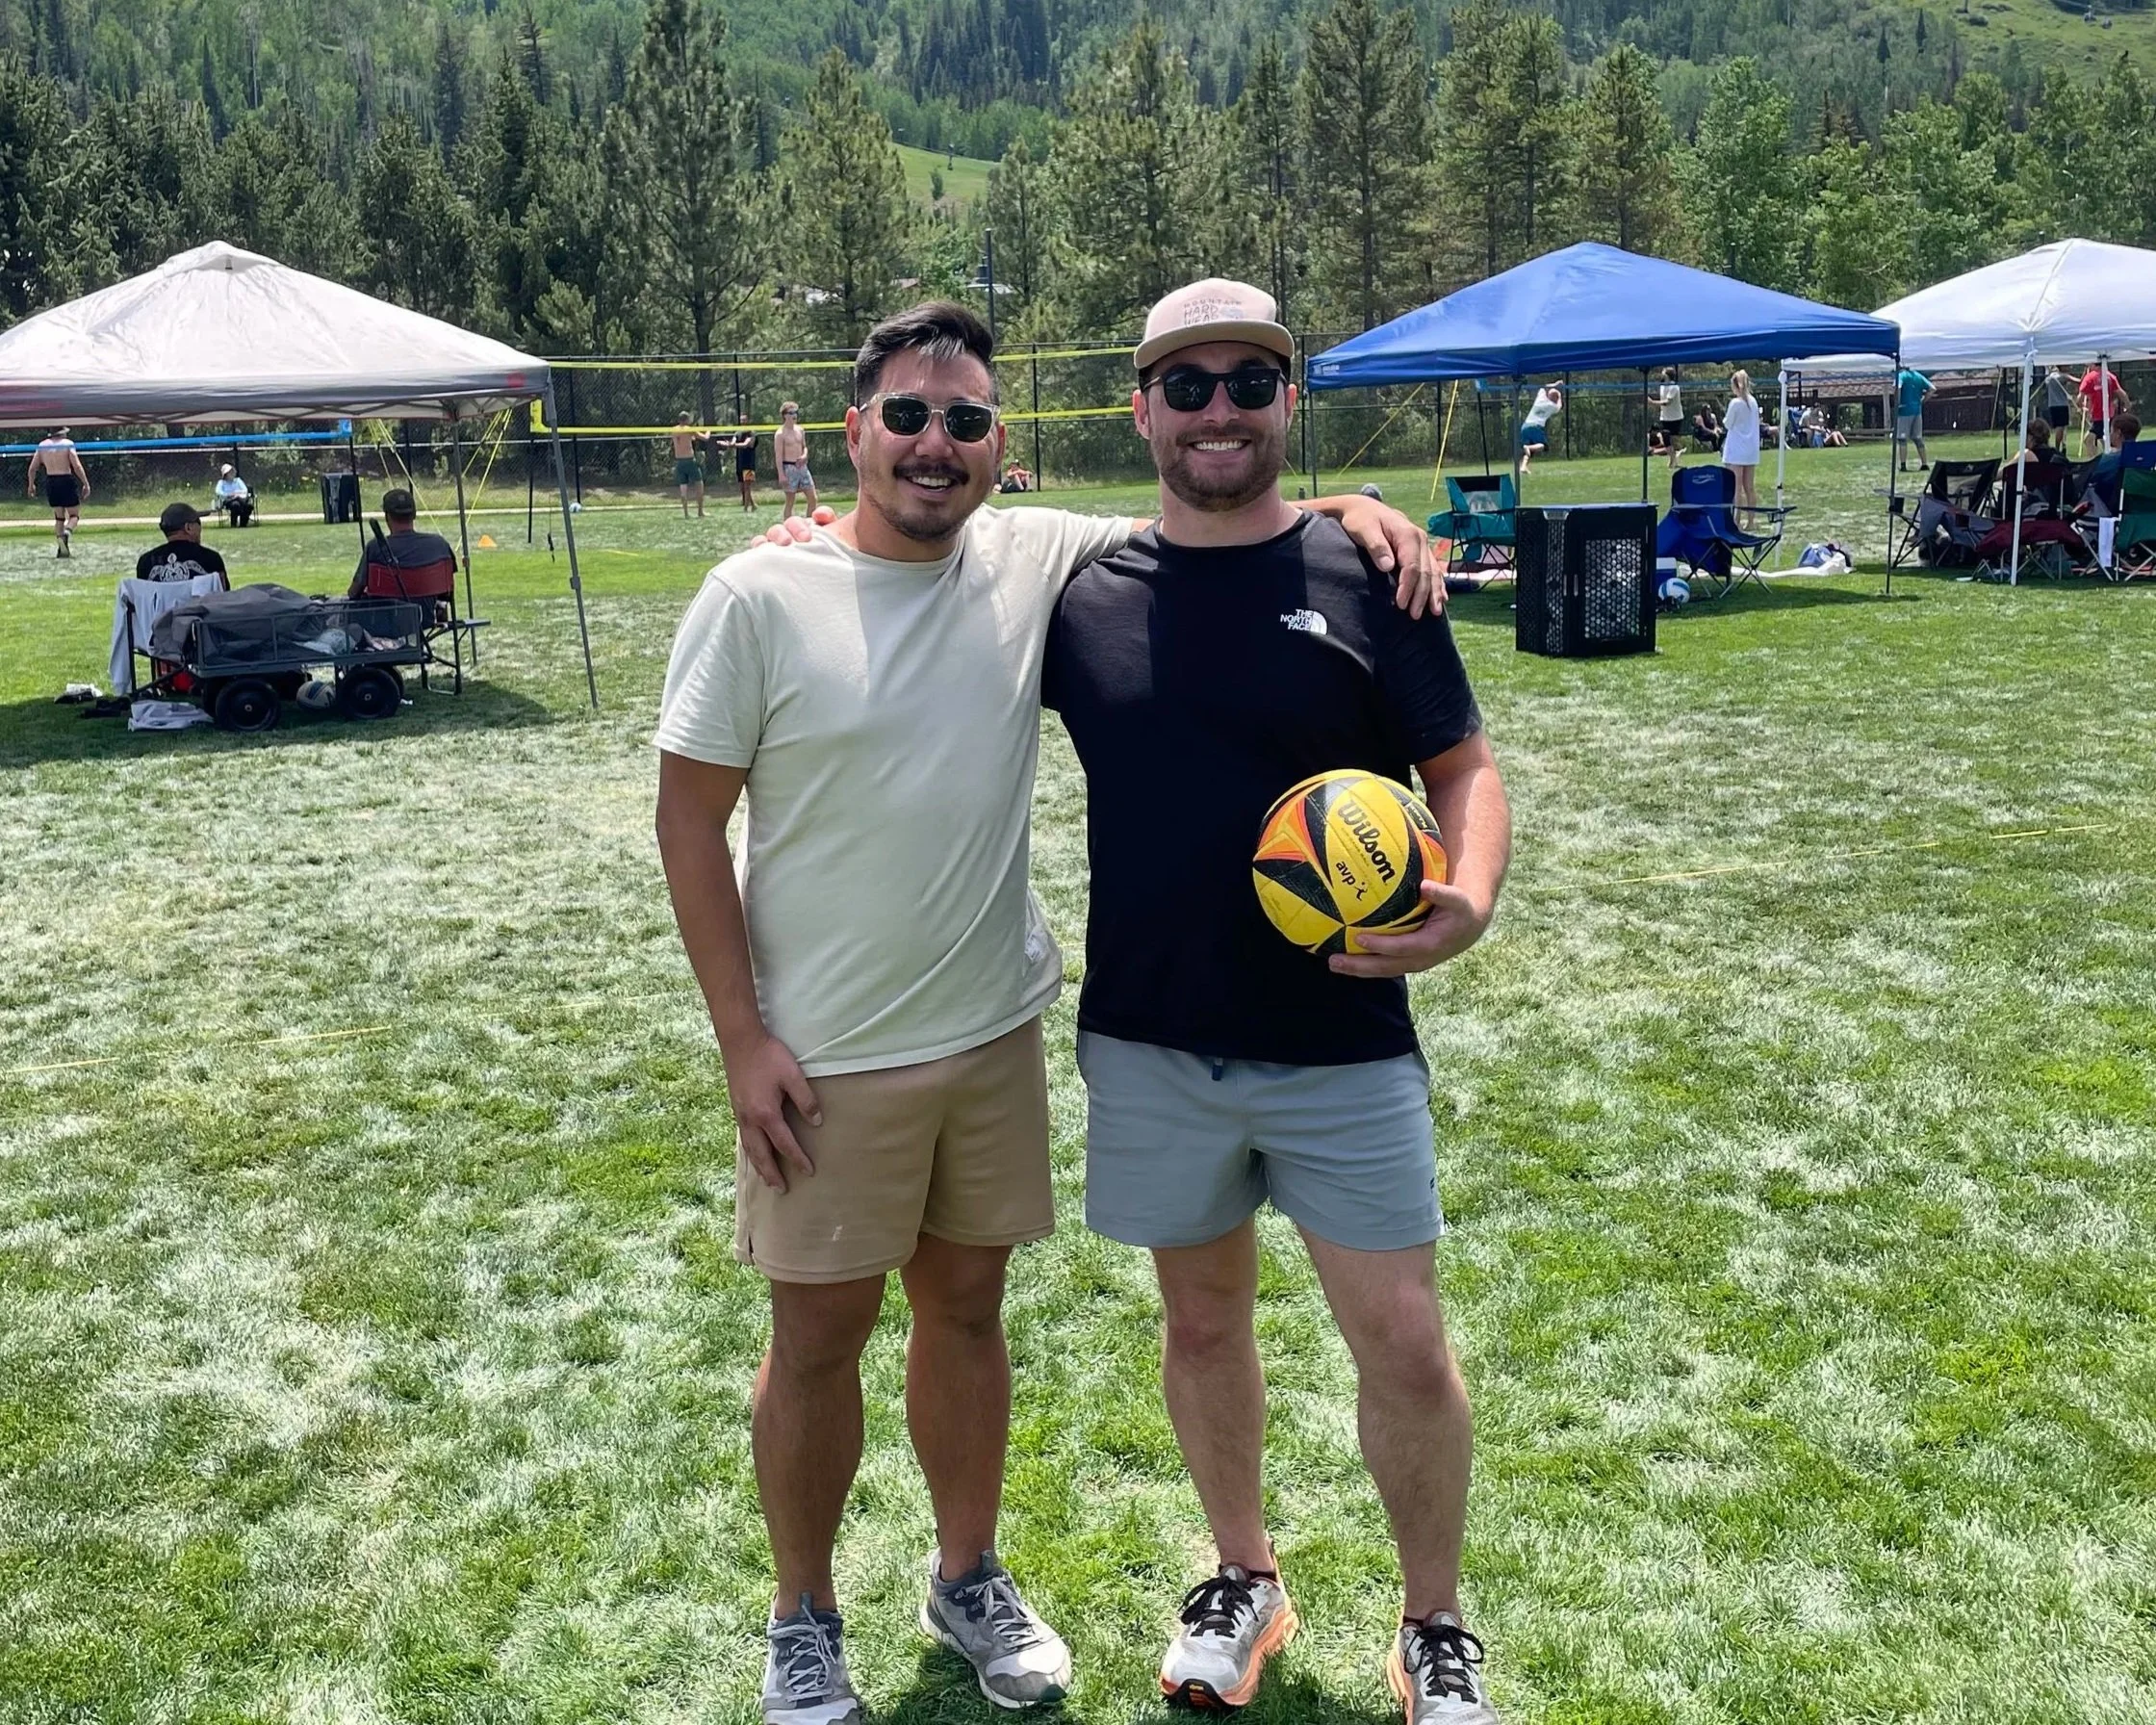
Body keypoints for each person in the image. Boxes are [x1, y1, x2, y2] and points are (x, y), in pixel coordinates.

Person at [655, 299, 1438, 1725]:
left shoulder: (1032, 557)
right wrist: (742, 1038)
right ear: (853, 434)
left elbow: (1222, 501)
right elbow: (688, 822)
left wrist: (1351, 501)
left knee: (967, 1320)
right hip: (825, 1059)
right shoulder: (757, 597)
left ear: (1000, 445)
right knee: (815, 1341)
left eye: (964, 420)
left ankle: (966, 1576)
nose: (935, 444)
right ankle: (802, 1617)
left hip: (993, 1034)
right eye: (906, 416)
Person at [1041, 277, 1510, 1724]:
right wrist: (812, 524)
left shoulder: (1373, 573)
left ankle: (1432, 1624)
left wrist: (1471, 899)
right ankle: (1243, 1578)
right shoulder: (1082, 598)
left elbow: (1464, 772)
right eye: (1187, 386)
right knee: (1200, 1325)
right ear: (1142, 408)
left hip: (1340, 1036)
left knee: (1404, 1342)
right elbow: (917, 558)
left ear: (1288, 402)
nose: (1220, 410)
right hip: (1153, 1033)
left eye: (1250, 381)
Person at [348, 487, 456, 600]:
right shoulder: (440, 545)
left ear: (387, 516)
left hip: (386, 617)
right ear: (414, 514)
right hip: (424, 617)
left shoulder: (375, 548)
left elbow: (354, 593)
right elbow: (447, 594)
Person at [28, 426, 89, 557]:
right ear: (62, 433)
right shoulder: (67, 444)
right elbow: (76, 465)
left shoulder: (42, 445)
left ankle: (61, 549)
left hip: (51, 481)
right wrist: (85, 483)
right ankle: (66, 534)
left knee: (59, 517)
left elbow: (32, 468)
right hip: (65, 479)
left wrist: (31, 484)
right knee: (74, 516)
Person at [135, 502, 231, 585]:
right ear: (188, 528)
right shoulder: (211, 559)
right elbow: (223, 598)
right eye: (198, 522)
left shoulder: (146, 562)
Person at [1722, 370, 1763, 513]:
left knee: (1736, 488)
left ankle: (1737, 520)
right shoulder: (1753, 402)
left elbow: (1728, 424)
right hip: (1751, 450)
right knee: (1749, 487)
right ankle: (1751, 520)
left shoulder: (1735, 403)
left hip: (1737, 450)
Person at [2078, 364, 2131, 460]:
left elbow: (2080, 398)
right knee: (2105, 439)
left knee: (2089, 440)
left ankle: (2095, 462)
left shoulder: (2090, 377)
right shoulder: (2110, 376)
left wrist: (2081, 407)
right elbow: (2121, 393)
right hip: (2109, 414)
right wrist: (2127, 405)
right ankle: (2109, 458)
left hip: (2098, 415)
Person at [775, 401, 817, 520]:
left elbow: (805, 447)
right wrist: (781, 475)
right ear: (785, 415)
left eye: (796, 412)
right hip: (789, 468)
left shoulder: (800, 430)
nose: (795, 415)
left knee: (813, 498)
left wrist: (805, 455)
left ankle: (809, 525)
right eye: (791, 413)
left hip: (802, 467)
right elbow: (778, 456)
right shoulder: (780, 434)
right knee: (790, 501)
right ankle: (789, 527)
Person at [1516, 381, 1561, 476]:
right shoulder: (1553, 407)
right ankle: (1528, 447)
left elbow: (1544, 386)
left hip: (1525, 426)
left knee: (1529, 452)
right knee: (1543, 446)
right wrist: (1560, 395)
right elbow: (1559, 405)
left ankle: (1523, 467)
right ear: (1556, 399)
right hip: (1536, 427)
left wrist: (1555, 384)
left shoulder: (1540, 398)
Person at [1894, 366, 1934, 471]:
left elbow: (1897, 388)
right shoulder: (1918, 375)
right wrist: (1922, 401)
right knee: (1918, 438)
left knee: (1902, 439)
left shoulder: (1901, 376)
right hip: (1917, 411)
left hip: (1904, 411)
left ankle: (1903, 465)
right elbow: (1932, 389)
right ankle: (1924, 463)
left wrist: (1897, 403)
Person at [672, 412, 708, 518]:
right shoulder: (689, 429)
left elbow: (685, 440)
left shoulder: (674, 430)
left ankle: (686, 514)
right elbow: (705, 438)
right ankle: (700, 512)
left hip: (679, 462)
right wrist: (709, 430)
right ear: (687, 420)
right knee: (699, 485)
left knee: (683, 488)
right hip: (689, 461)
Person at [1654, 368, 1685, 468]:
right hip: (1665, 418)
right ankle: (1672, 459)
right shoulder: (1662, 386)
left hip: (1676, 418)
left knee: (1674, 441)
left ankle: (1675, 458)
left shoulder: (1674, 387)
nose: (1661, 375)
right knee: (1666, 439)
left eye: (1663, 373)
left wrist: (1652, 403)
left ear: (1667, 375)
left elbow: (1667, 402)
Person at [729, 413, 758, 512]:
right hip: (740, 464)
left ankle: (746, 508)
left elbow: (747, 444)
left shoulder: (752, 433)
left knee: (747, 486)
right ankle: (753, 505)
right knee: (742, 488)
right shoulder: (738, 433)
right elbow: (733, 441)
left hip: (749, 464)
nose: (743, 422)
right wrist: (729, 444)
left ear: (748, 421)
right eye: (741, 420)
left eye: (744, 420)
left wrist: (734, 445)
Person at [213, 463, 254, 528]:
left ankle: (243, 524)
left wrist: (238, 494)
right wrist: (229, 495)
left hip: (240, 498)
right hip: (229, 500)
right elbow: (218, 492)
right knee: (235, 504)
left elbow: (245, 490)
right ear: (225, 474)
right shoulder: (221, 483)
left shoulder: (238, 481)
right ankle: (233, 524)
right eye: (230, 472)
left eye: (232, 471)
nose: (232, 473)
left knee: (248, 506)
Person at [2040, 366, 2075, 437]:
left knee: (2059, 426)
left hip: (2052, 405)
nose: (2069, 368)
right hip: (2062, 405)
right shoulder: (2063, 376)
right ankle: (2057, 446)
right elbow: (2078, 381)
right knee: (2061, 427)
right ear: (2062, 367)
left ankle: (2063, 444)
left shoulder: (2049, 378)